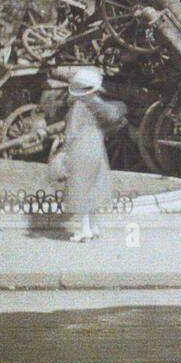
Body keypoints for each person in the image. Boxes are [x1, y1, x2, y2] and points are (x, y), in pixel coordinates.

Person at [60, 66, 126, 243]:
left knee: (80, 187)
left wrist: (64, 151)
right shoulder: (99, 104)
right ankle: (95, 226)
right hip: (96, 146)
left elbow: (72, 132)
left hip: (80, 147)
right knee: (95, 186)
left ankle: (84, 230)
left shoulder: (78, 106)